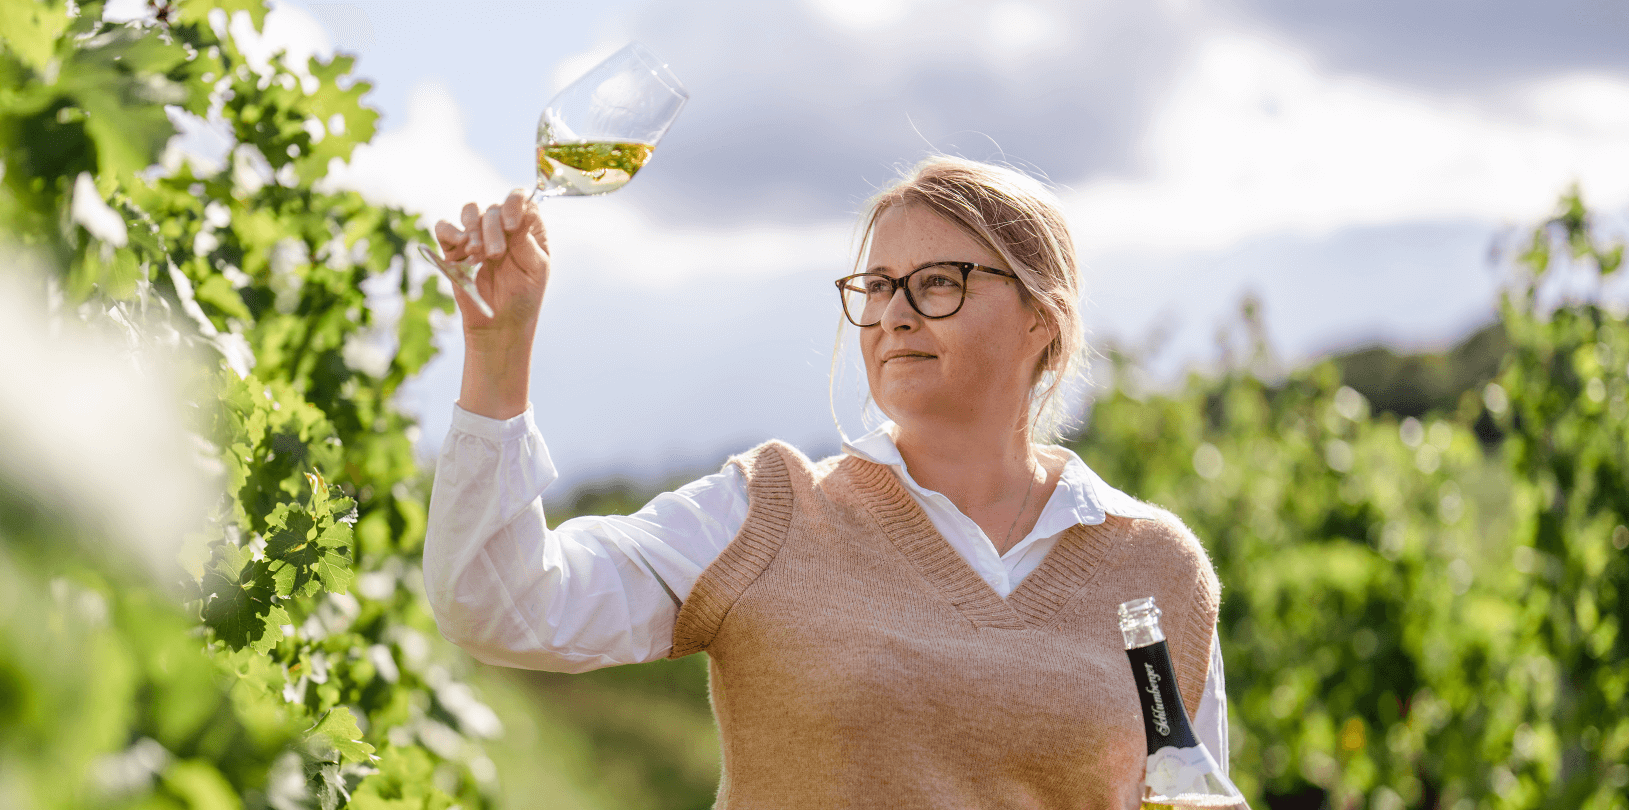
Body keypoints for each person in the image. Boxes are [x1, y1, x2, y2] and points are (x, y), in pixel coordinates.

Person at [422, 156, 1229, 808]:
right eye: (876, 286)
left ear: (1040, 320)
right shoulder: (770, 515)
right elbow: (502, 606)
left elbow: (1192, 790)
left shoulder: (1157, 570)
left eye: (939, 282)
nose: (893, 315)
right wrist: (498, 356)